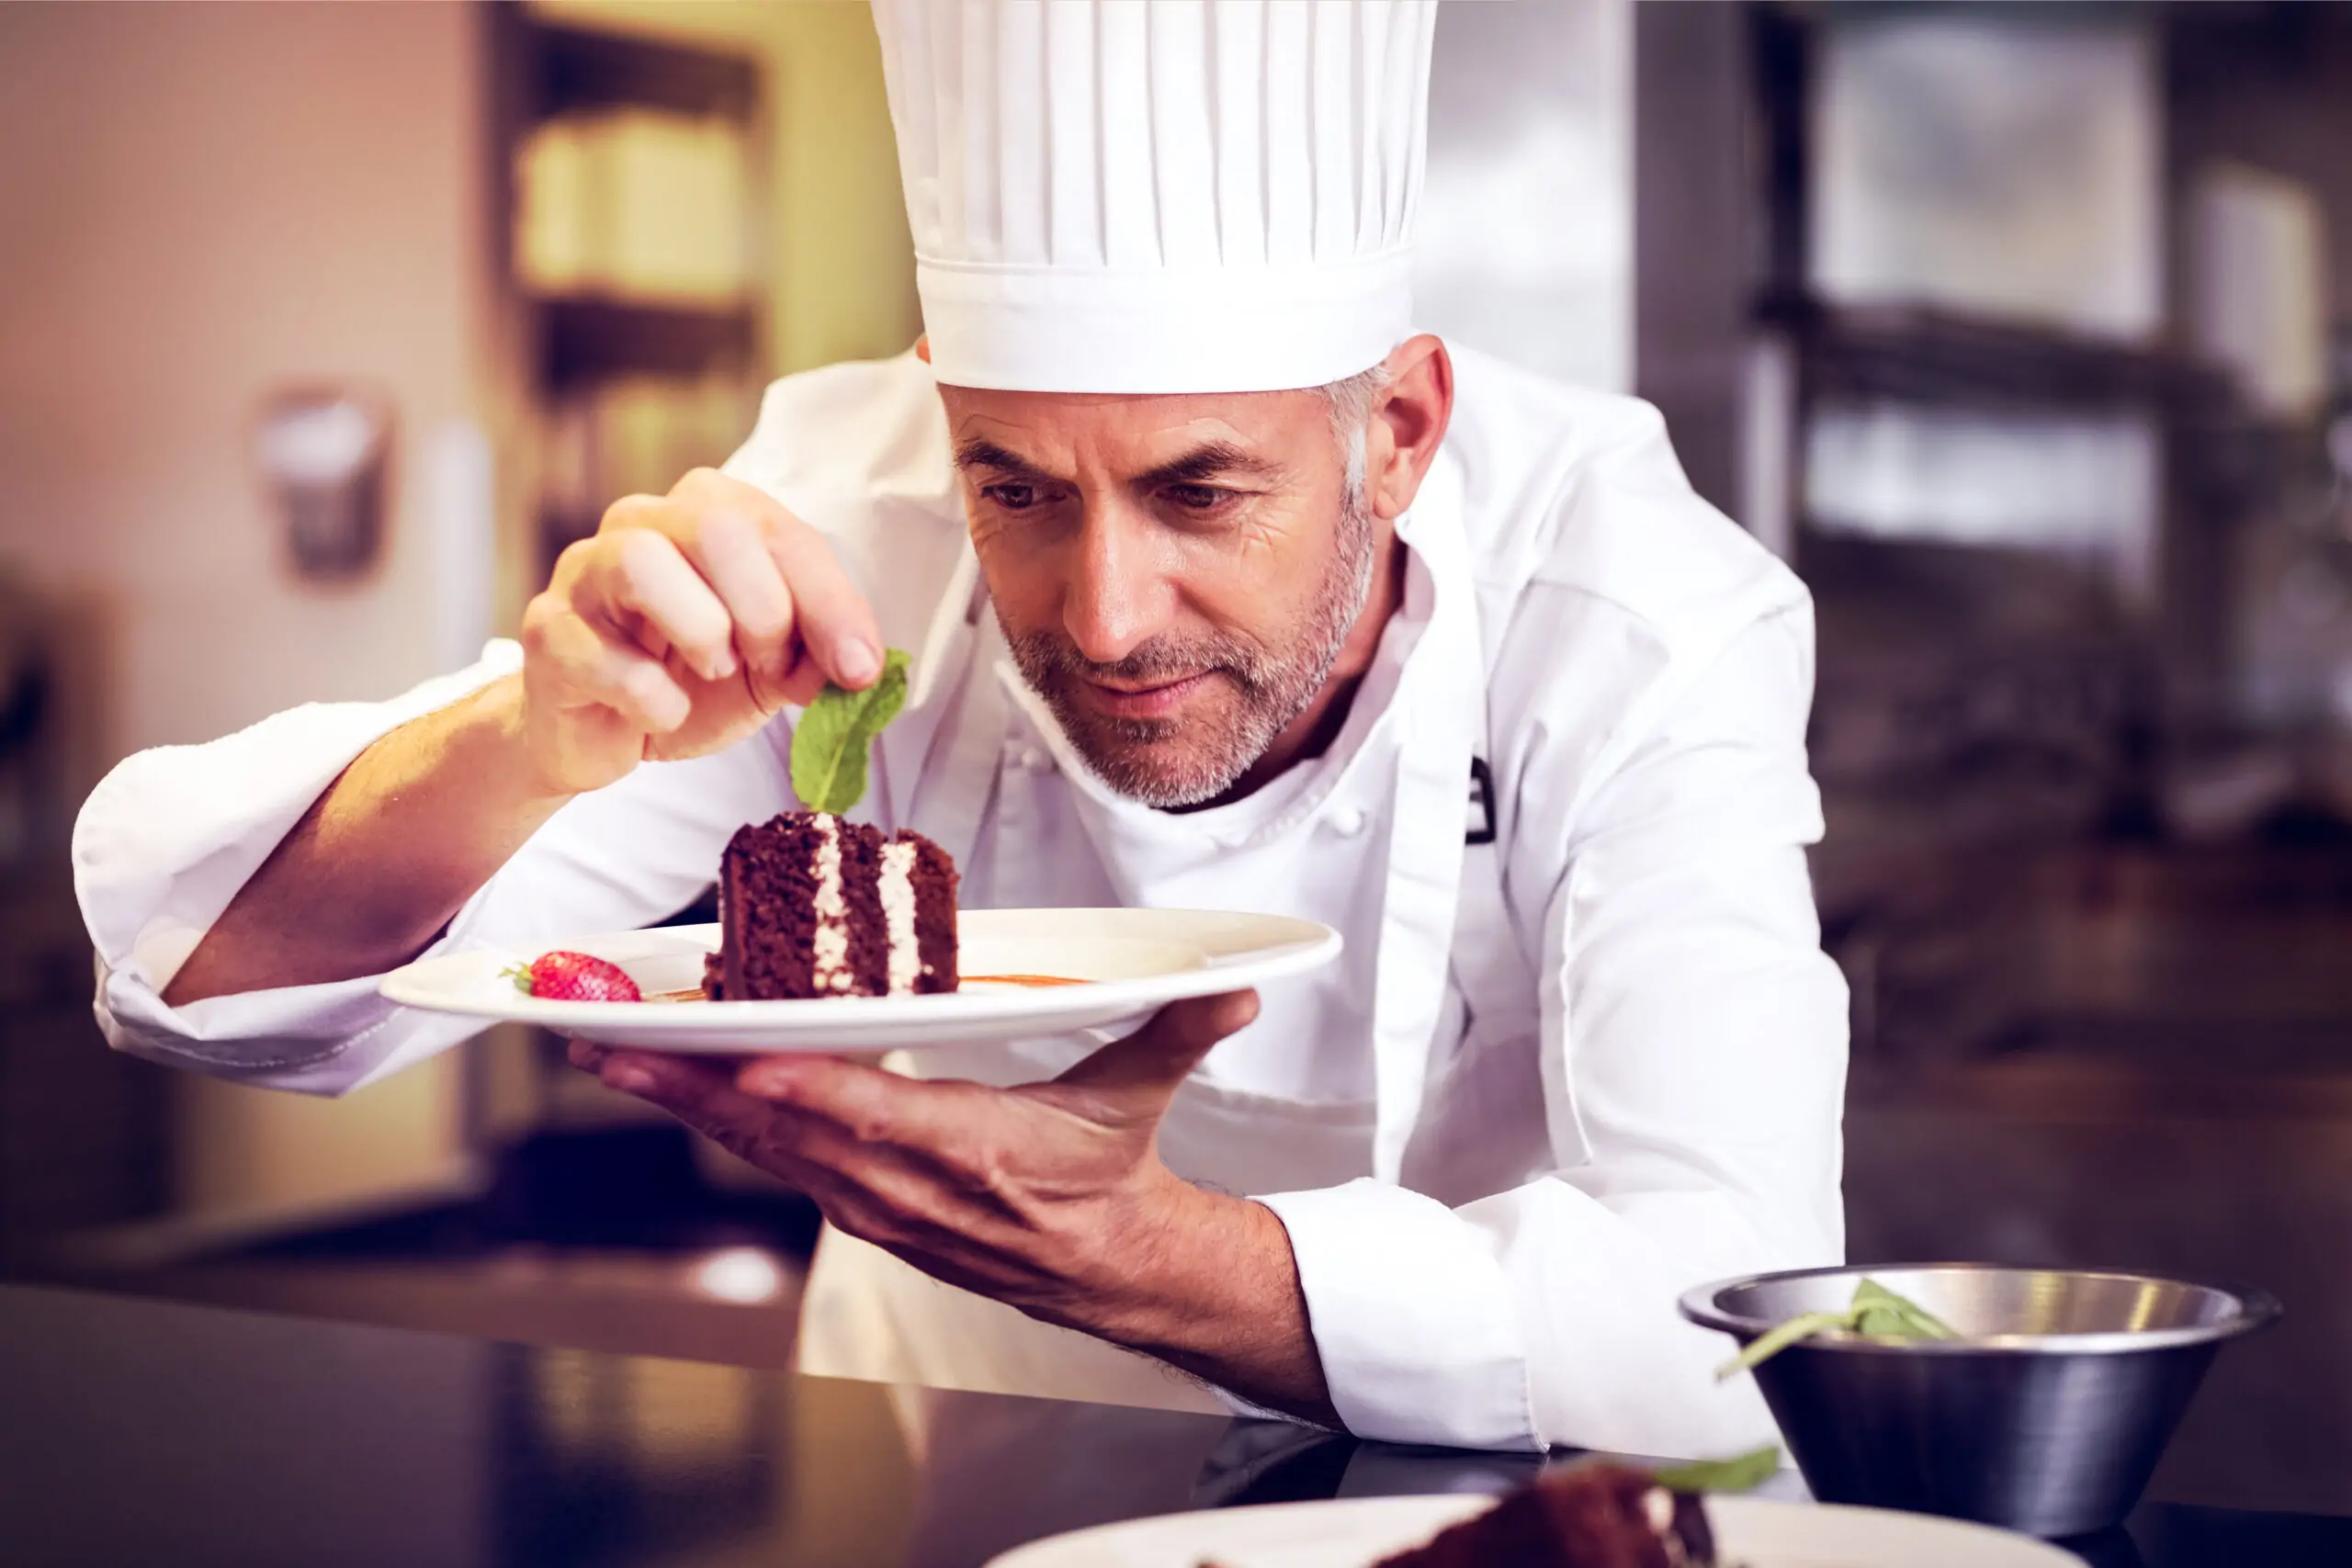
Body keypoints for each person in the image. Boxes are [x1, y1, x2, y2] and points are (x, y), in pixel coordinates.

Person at [74, 0, 1846, 1456]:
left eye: (1200, 493)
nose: (1104, 613)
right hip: (936, 1477)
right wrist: (535, 736)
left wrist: (1151, 1259)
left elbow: (1736, 1313)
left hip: (1487, 1511)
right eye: (1019, 486)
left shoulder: (1634, 617)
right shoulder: (851, 527)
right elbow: (218, 982)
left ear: (1398, 429)